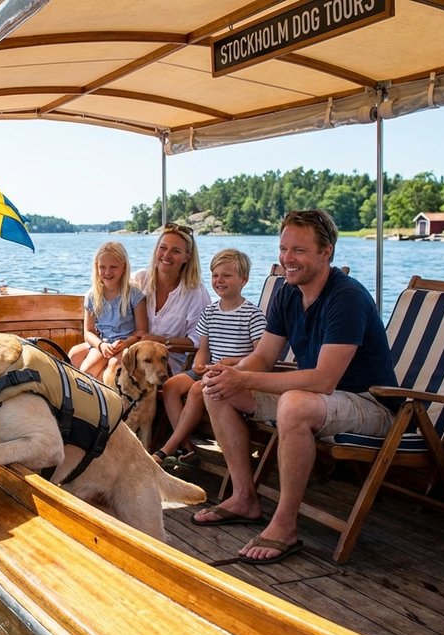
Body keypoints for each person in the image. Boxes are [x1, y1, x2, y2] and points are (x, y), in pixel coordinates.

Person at [192, 209, 398, 566]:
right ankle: (245, 497)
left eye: (299, 250)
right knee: (217, 389)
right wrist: (232, 374)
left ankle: (285, 526)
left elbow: (323, 380)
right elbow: (264, 356)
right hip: (318, 399)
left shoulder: (345, 298)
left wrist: (246, 377)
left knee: (294, 405)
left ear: (326, 253)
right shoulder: (288, 293)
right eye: (284, 248)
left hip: (371, 404)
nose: (287, 259)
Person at [155, 248, 265, 466]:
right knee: (170, 386)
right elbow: (203, 347)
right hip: (210, 370)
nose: (219, 280)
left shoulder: (253, 314)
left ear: (243, 280)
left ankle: (167, 448)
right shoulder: (210, 311)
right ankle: (186, 446)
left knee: (197, 389)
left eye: (227, 275)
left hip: (235, 373)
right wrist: (199, 364)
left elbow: (260, 355)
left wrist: (233, 363)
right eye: (215, 275)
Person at [131, 223, 211, 375]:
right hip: (135, 353)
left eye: (175, 251)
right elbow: (109, 293)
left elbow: (198, 340)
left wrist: (158, 340)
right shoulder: (140, 280)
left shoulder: (196, 292)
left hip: (171, 362)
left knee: (119, 369)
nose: (166, 255)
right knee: (77, 354)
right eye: (163, 248)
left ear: (187, 257)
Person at [69, 241, 147, 379]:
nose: (107, 272)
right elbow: (89, 332)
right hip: (104, 342)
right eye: (102, 267)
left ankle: (104, 396)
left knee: (102, 368)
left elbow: (142, 331)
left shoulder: (134, 295)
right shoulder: (92, 296)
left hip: (126, 344)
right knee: (79, 361)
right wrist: (101, 345)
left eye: (113, 267)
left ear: (124, 267)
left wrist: (126, 343)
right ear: (96, 268)